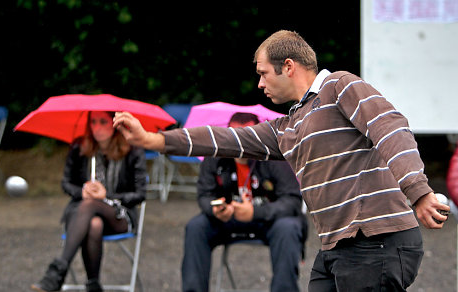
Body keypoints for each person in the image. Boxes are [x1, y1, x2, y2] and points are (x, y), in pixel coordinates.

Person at [113, 30, 450, 291]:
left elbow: (390, 127)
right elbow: (228, 139)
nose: (259, 84)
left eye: (263, 73)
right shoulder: (288, 126)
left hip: (376, 239)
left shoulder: (340, 86)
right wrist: (154, 140)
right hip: (336, 248)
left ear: (288, 66)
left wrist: (418, 191)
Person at [181, 112, 307, 292]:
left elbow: (292, 201)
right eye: (234, 136)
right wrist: (215, 209)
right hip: (228, 219)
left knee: (288, 227)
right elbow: (204, 195)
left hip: (268, 220)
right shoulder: (215, 156)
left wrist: (256, 212)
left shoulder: (275, 157)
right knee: (196, 227)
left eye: (246, 136)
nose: (239, 143)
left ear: (258, 136)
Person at [31, 111, 147, 292]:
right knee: (93, 223)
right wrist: (83, 191)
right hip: (81, 216)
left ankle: (57, 272)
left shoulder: (133, 150)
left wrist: (106, 196)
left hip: (119, 215)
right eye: (93, 122)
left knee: (91, 206)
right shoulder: (80, 148)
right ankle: (93, 285)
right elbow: (66, 184)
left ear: (115, 124)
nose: (97, 127)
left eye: (103, 122)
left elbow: (140, 194)